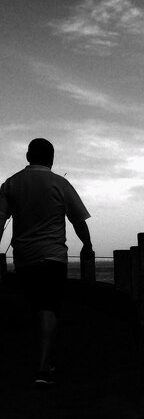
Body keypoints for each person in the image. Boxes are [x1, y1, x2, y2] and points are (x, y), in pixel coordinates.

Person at [0, 138, 93, 386]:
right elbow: (78, 220)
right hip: (53, 257)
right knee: (49, 308)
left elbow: (0, 220)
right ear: (51, 158)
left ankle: (45, 358)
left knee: (37, 308)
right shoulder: (60, 183)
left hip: (24, 259)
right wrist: (88, 245)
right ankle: (43, 368)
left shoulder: (11, 184)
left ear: (28, 155)